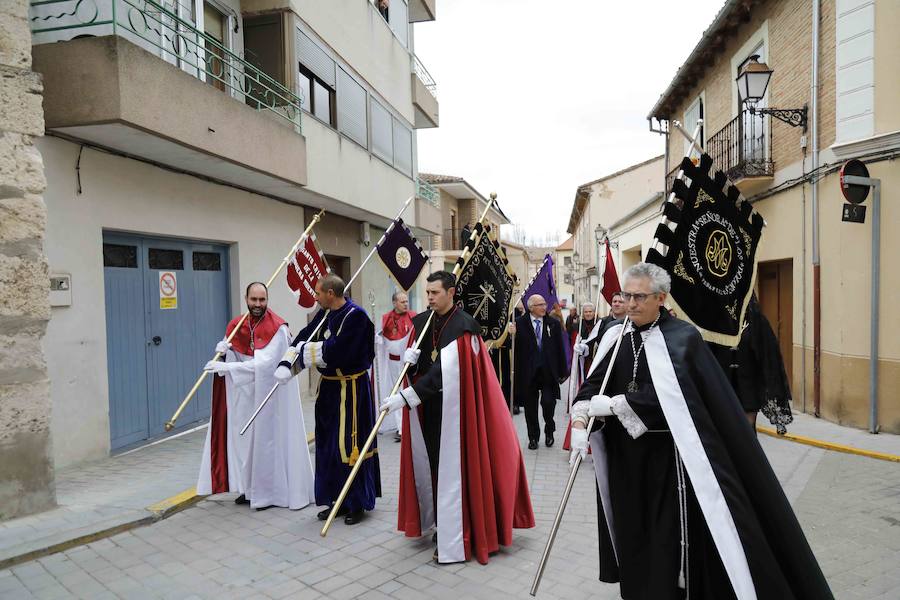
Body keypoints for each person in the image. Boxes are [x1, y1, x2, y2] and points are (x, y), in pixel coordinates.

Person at [569, 263, 832, 600]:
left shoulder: (683, 338)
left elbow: (678, 398)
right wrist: (580, 423)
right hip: (626, 463)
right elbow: (591, 388)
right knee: (633, 531)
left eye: (639, 297)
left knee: (668, 540)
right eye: (627, 295)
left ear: (661, 298)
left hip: (669, 463)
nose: (631, 303)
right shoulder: (615, 336)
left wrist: (618, 404)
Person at [381, 271, 535, 564]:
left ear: (451, 293)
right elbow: (421, 365)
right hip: (427, 409)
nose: (429, 298)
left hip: (457, 413)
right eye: (427, 293)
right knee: (433, 466)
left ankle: (458, 531)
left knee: (454, 470)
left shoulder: (465, 328)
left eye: (435, 293)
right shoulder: (423, 322)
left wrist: (406, 397)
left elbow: (446, 372)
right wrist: (410, 364)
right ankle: (440, 522)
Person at [274, 274, 381, 525]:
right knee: (328, 444)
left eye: (318, 293)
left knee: (348, 446)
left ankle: (356, 503)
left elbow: (338, 350)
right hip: (330, 389)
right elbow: (306, 336)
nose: (315, 296)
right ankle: (336, 499)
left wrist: (304, 352)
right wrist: (286, 362)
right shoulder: (324, 313)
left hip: (351, 389)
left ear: (330, 294)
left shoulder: (357, 317)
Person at [198, 282, 315, 511]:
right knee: (245, 445)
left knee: (266, 444)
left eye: (262, 300)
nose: (258, 304)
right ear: (246, 299)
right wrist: (224, 353)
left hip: (269, 398)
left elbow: (265, 365)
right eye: (254, 300)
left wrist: (230, 369)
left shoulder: (278, 328)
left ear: (267, 300)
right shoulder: (236, 325)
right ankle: (249, 489)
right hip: (245, 396)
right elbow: (235, 358)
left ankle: (270, 493)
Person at [708, 296, 793, 433]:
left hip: (748, 389)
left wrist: (771, 391)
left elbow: (769, 359)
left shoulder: (756, 322)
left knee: (746, 433)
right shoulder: (714, 322)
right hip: (722, 388)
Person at [511, 294, 568, 449]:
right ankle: (533, 437)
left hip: (548, 372)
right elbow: (512, 348)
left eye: (544, 304)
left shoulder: (553, 324)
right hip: (528, 373)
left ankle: (549, 430)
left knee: (548, 403)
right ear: (531, 308)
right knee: (530, 408)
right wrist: (511, 336)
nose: (544, 307)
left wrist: (563, 371)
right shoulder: (519, 324)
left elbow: (559, 349)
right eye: (540, 305)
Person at [374, 291, 416, 440]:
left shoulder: (413, 317)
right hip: (392, 362)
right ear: (394, 303)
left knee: (407, 390)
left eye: (406, 301)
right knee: (396, 391)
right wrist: (377, 341)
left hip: (408, 363)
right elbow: (379, 338)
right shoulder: (386, 319)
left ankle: (409, 426)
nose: (406, 304)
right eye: (402, 301)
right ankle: (400, 428)